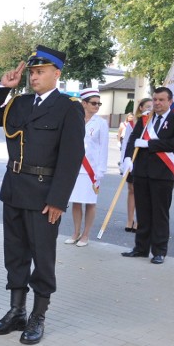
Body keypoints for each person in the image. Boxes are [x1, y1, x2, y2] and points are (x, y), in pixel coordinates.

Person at [0, 45, 84, 345]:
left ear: (57, 73)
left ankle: (38, 315)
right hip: (14, 188)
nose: (34, 77)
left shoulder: (68, 108)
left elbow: (71, 156)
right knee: (15, 253)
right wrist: (1, 87)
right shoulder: (20, 103)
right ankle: (16, 311)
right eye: (32, 72)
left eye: (40, 72)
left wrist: (58, 200)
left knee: (42, 256)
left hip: (43, 194)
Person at [120, 87, 174, 265]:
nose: (157, 103)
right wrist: (127, 157)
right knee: (143, 212)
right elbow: (133, 139)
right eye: (155, 99)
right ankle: (141, 248)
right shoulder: (145, 119)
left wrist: (149, 144)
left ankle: (159, 251)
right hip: (141, 172)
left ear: (169, 101)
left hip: (163, 173)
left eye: (161, 100)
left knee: (160, 213)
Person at [65, 88, 109, 247]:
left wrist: (101, 171)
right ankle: (75, 232)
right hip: (76, 168)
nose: (97, 106)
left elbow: (103, 147)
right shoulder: (74, 119)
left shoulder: (101, 123)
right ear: (84, 103)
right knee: (76, 202)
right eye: (93, 103)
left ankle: (86, 234)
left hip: (92, 169)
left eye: (99, 103)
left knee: (90, 203)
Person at [121, 98, 153, 232]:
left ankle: (140, 221)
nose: (150, 109)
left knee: (143, 192)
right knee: (132, 190)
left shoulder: (152, 123)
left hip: (146, 161)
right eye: (147, 107)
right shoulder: (134, 122)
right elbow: (126, 143)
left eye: (151, 107)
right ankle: (130, 220)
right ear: (140, 108)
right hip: (132, 160)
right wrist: (124, 162)